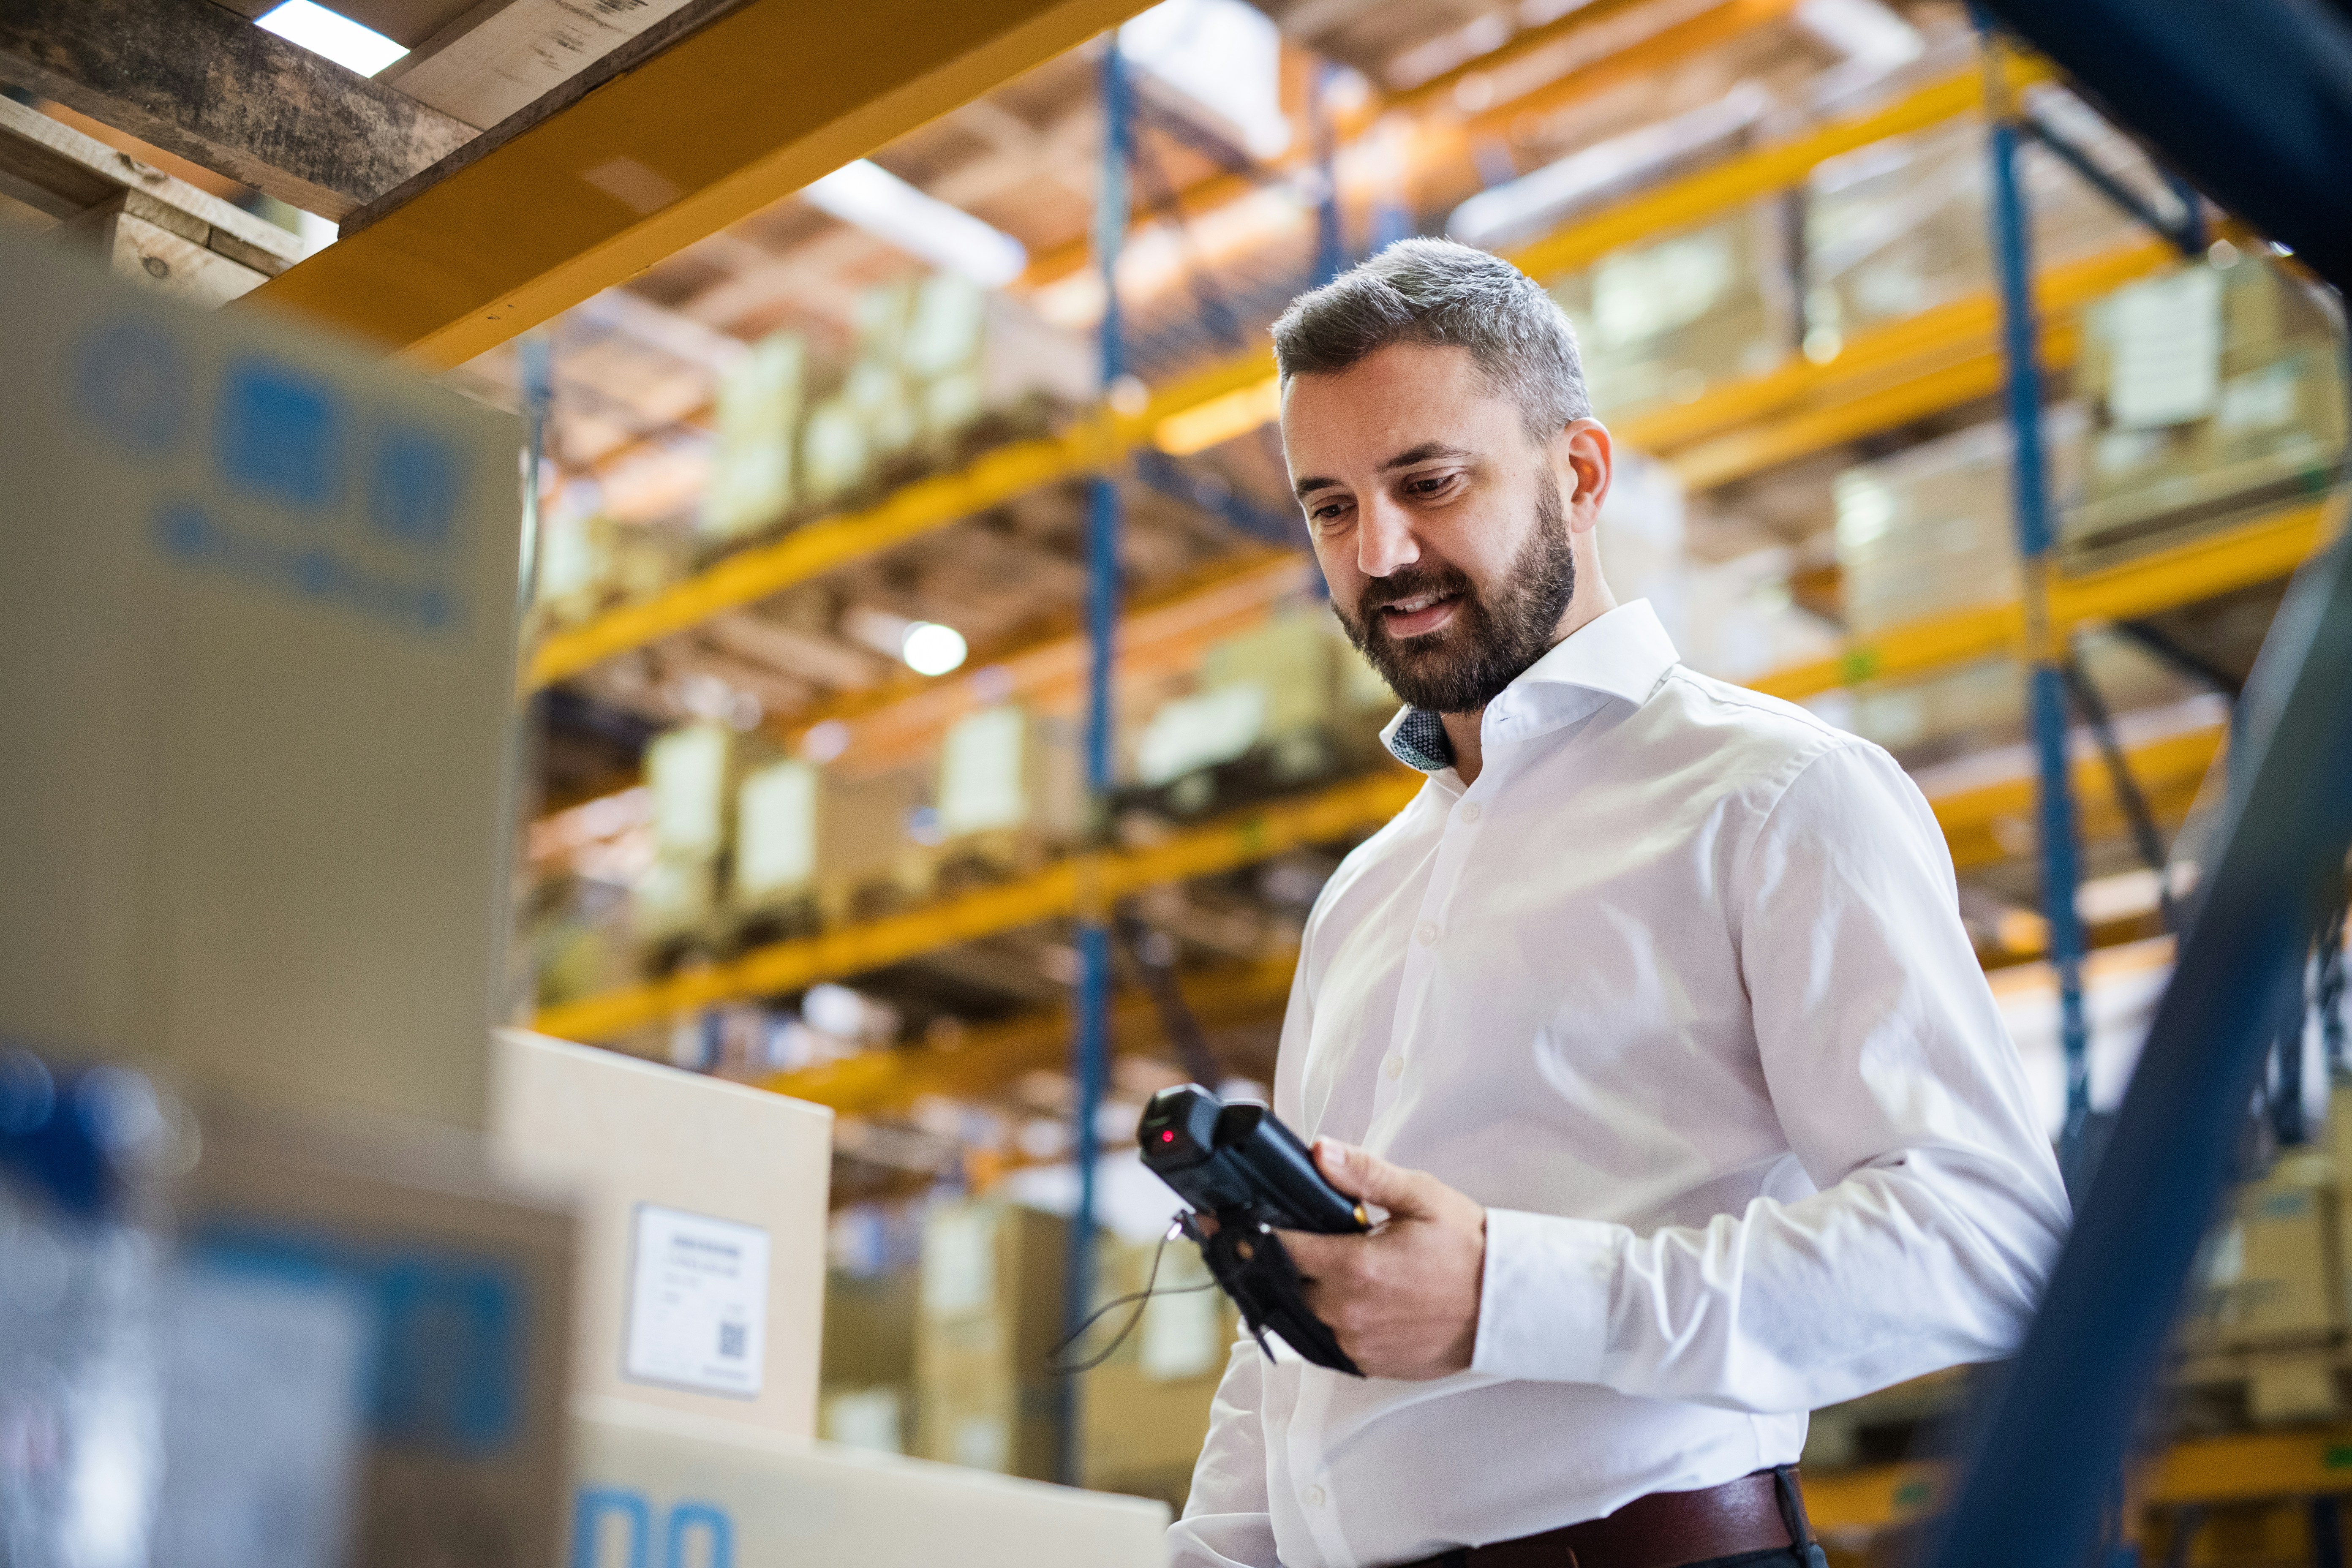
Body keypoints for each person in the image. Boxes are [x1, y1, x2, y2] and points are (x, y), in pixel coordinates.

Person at [1166, 238, 2070, 1568]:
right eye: (1331, 508)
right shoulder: (1363, 896)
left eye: (1429, 483)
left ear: (1580, 474)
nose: (1382, 551)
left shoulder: (1775, 795)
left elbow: (1986, 1240)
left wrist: (1506, 1294)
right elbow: (1288, 1365)